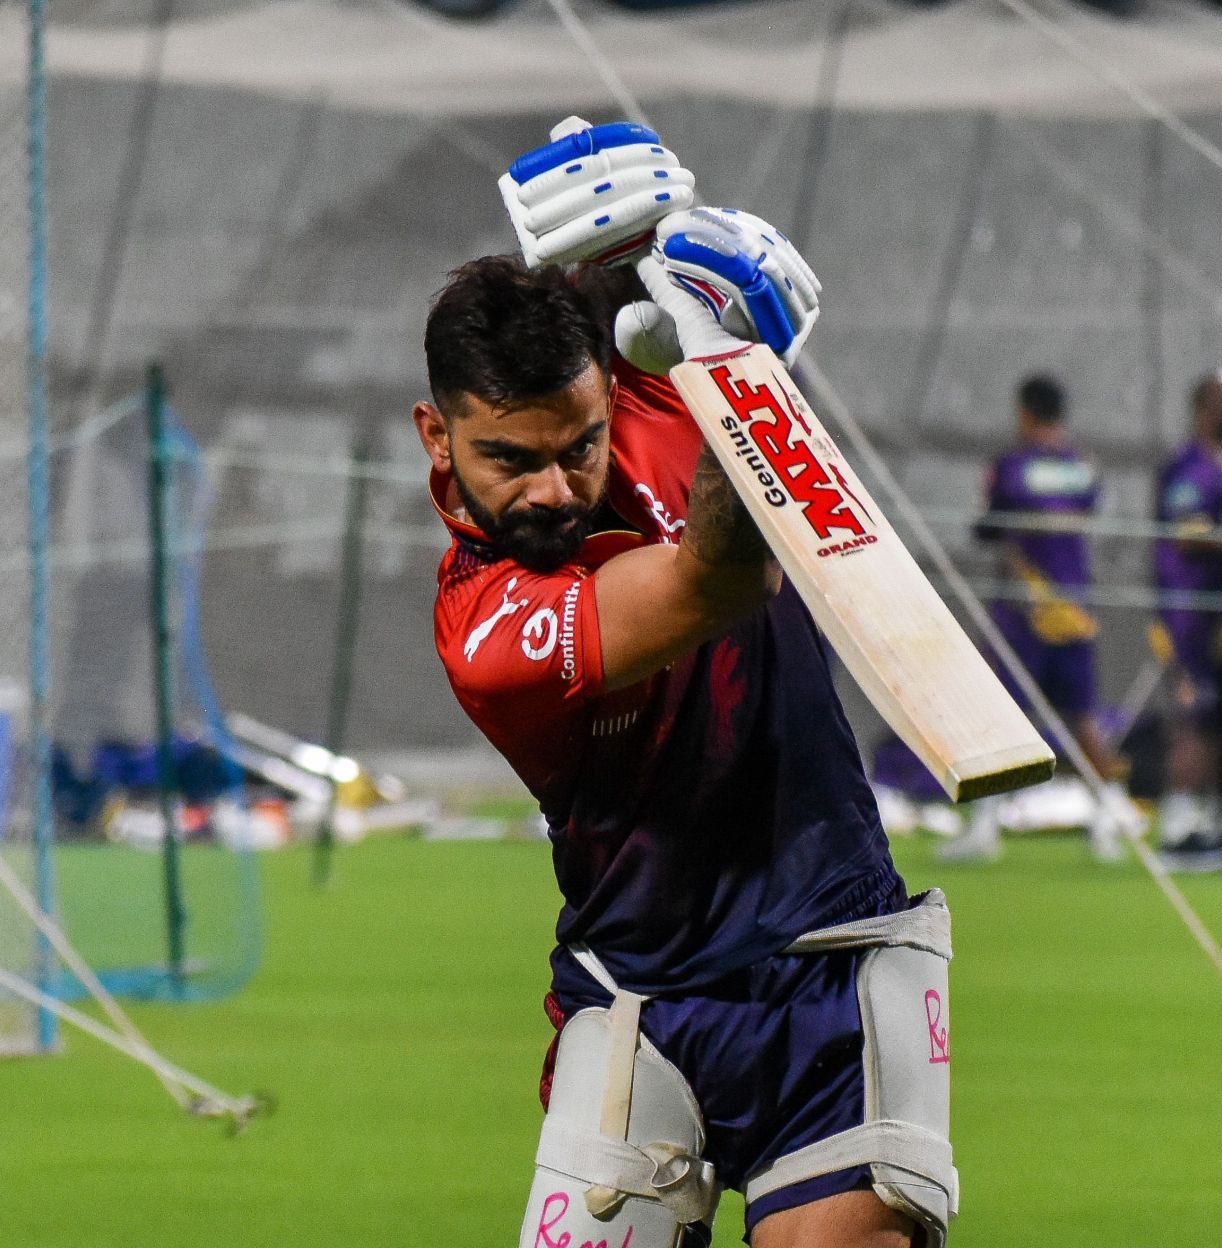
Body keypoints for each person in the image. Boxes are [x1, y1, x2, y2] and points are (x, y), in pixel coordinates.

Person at [421, 118, 958, 1248]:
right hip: (637, 997)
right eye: (509, 462)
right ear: (439, 440)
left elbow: (646, 282)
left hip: (830, 951)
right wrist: (737, 368)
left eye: (580, 445)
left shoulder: (643, 394)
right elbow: (727, 577)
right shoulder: (486, 624)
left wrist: (659, 220)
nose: (554, 490)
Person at [942, 373, 1130, 862]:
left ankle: (986, 824)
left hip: (1024, 609)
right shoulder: (1082, 466)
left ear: (1025, 411)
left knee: (999, 716)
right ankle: (1107, 817)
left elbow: (986, 525)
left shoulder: (1012, 465)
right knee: (1083, 718)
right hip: (1075, 609)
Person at [1151, 369, 1222, 874]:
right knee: (1195, 715)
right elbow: (1187, 536)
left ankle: (1215, 821)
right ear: (1205, 408)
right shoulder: (1188, 466)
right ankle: (1178, 829)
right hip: (1193, 612)